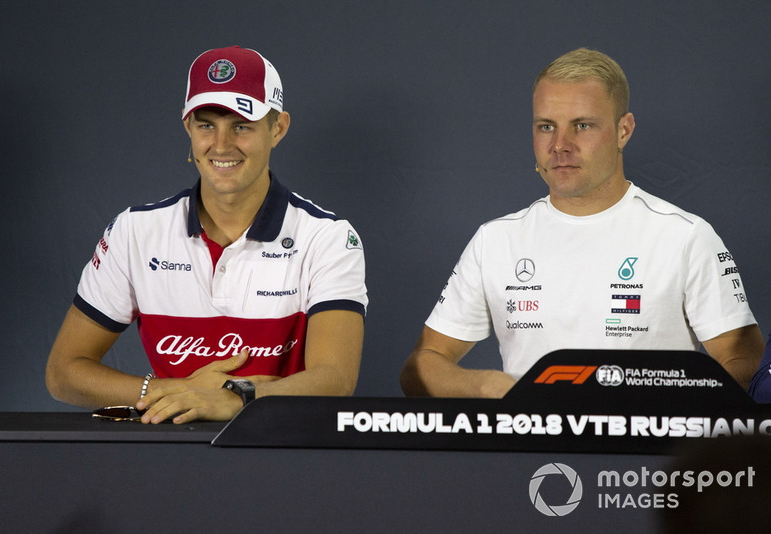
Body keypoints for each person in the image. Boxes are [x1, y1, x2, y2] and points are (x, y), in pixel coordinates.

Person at [400, 48, 763, 398]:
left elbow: (744, 361)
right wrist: (492, 388)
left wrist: (669, 408)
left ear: (624, 130)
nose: (560, 144)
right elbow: (422, 366)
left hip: (647, 458)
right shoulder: (496, 240)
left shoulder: (685, 236)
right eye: (546, 126)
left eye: (582, 125)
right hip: (527, 455)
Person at [46, 46, 367, 424]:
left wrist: (238, 397)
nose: (221, 145)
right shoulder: (135, 231)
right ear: (188, 128)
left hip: (287, 453)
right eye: (206, 124)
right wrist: (171, 391)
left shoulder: (327, 238)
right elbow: (64, 372)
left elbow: (336, 379)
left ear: (277, 128)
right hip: (168, 456)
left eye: (241, 126)